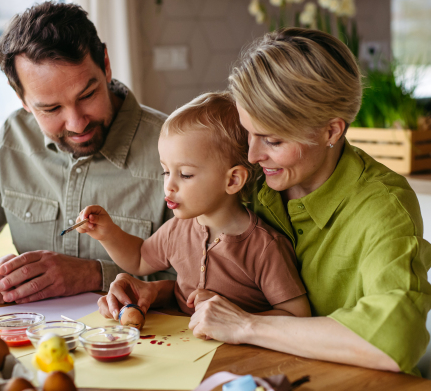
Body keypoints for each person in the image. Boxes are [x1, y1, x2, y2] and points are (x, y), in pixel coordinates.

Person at [103, 28, 431, 375]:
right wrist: (156, 292)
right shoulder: (253, 181)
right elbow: (236, 286)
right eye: (249, 132)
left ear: (331, 131)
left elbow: (393, 340)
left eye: (273, 140)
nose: (252, 154)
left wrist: (247, 325)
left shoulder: (381, 206)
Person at [0, 1, 175, 305]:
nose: (77, 122)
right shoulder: (11, 140)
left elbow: (212, 276)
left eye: (88, 95)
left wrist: (94, 274)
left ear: (106, 64)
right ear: (22, 98)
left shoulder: (174, 148)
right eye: (51, 108)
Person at [75, 92, 310, 319]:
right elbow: (138, 259)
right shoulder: (177, 229)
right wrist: (107, 233)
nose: (169, 186)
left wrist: (236, 317)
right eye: (166, 171)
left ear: (232, 180)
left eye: (185, 174)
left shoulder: (264, 247)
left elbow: (297, 315)